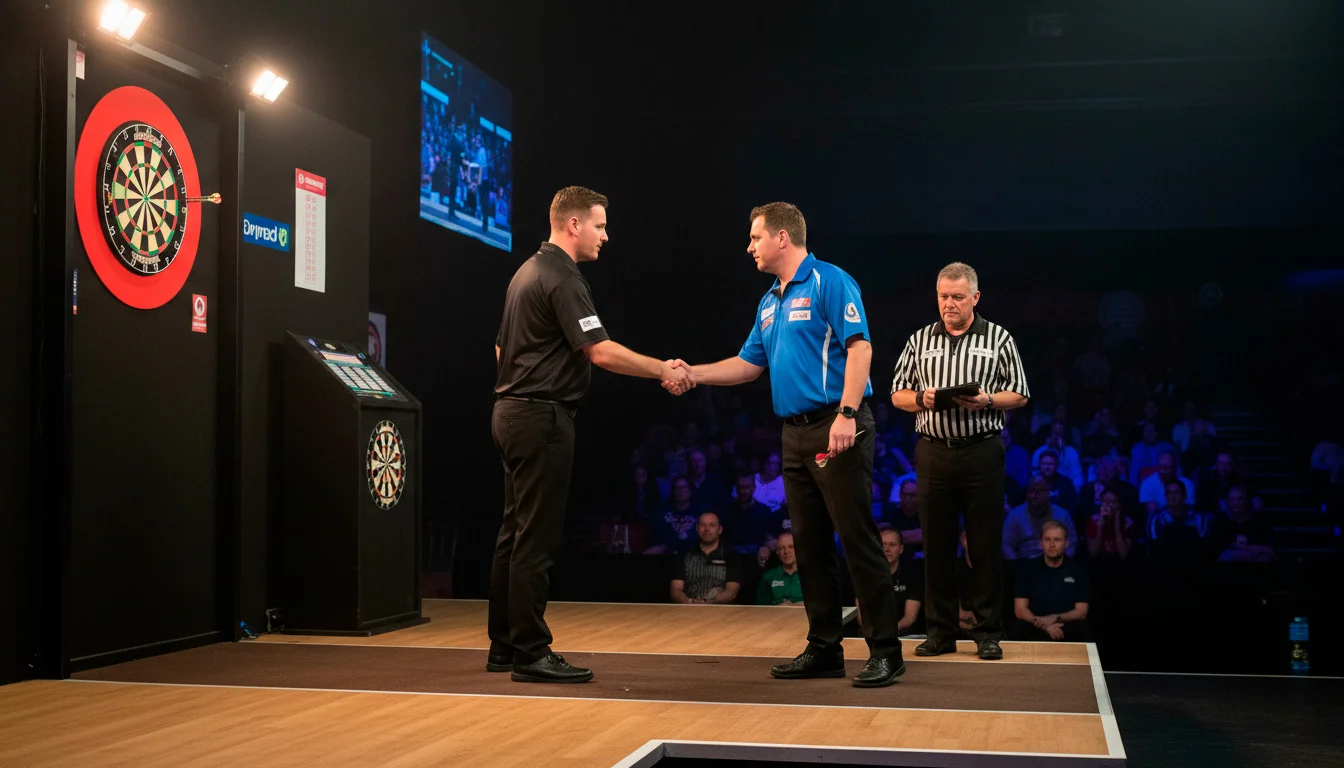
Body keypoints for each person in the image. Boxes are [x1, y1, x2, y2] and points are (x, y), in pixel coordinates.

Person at [670, 202, 904, 687]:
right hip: (793, 432)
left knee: (857, 538)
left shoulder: (829, 281)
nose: (749, 246)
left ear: (781, 237)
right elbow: (747, 365)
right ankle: (824, 649)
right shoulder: (769, 302)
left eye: (755, 237)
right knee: (811, 544)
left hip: (837, 423)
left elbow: (861, 347)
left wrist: (845, 413)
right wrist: (693, 374)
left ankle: (885, 650)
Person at [489, 186, 693, 684]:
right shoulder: (562, 275)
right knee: (535, 539)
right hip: (541, 417)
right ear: (574, 225)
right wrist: (662, 368)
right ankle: (532, 652)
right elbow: (599, 352)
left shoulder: (525, 272)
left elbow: (500, 348)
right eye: (600, 225)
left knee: (514, 532)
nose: (607, 235)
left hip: (510, 410)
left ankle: (506, 644)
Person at [890, 262, 1030, 660]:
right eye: (943, 297)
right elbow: (897, 394)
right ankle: (940, 631)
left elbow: (1018, 394)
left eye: (956, 297)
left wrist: (986, 399)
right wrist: (923, 398)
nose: (948, 304)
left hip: (982, 449)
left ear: (975, 298)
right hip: (934, 450)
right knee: (936, 544)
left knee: (984, 543)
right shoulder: (919, 340)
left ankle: (987, 632)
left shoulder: (999, 338)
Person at [757, 531, 804, 605]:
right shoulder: (768, 577)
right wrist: (778, 608)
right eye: (782, 548)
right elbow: (760, 608)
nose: (786, 551)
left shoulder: (813, 576)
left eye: (791, 547)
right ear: (777, 552)